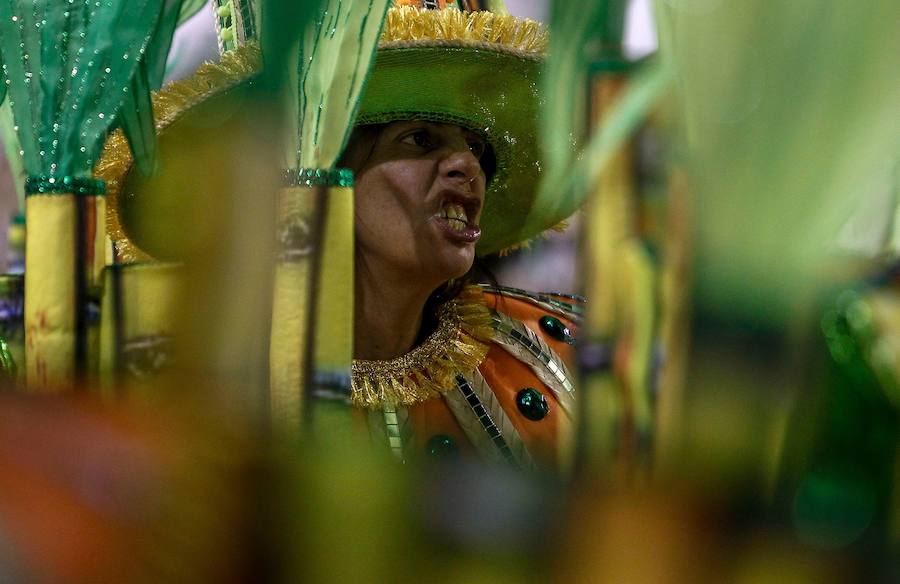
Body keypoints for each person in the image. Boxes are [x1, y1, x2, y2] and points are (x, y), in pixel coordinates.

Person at [98, 4, 582, 472]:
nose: (469, 165)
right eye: (419, 138)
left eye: (474, 146)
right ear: (319, 174)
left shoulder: (559, 357)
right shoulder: (202, 380)